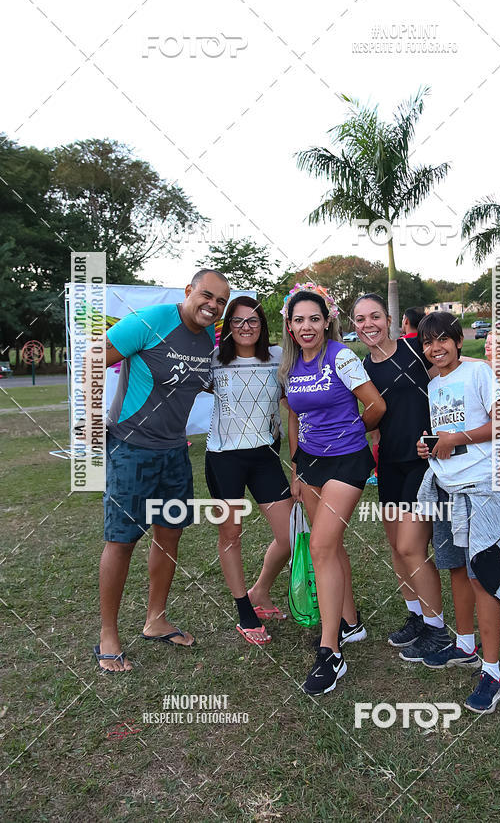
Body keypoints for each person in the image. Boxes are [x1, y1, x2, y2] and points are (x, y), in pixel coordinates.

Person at [95, 269, 230, 672]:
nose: (213, 305)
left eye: (221, 301)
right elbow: (92, 361)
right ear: (189, 291)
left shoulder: (209, 340)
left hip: (174, 454)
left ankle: (155, 620)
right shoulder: (148, 321)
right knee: (121, 542)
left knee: (168, 538)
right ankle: (108, 635)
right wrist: (90, 424)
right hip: (130, 450)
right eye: (207, 295)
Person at [280, 283, 386, 695]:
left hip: (347, 461)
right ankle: (350, 623)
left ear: (327, 323)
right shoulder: (290, 368)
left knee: (322, 546)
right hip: (310, 464)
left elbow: (376, 405)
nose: (307, 327)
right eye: (299, 320)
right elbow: (292, 417)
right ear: (289, 327)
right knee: (333, 546)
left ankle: (331, 653)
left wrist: (351, 432)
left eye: (314, 319)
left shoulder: (341, 357)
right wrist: (296, 467)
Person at [416, 311, 500, 715]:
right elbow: (447, 434)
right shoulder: (434, 382)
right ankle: (465, 645)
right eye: (428, 342)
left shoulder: (479, 372)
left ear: (457, 340)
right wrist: (431, 444)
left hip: (480, 490)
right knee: (455, 567)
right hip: (447, 488)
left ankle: (492, 672)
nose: (435, 348)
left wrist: (459, 437)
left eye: (442, 340)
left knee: (482, 575)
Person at [353, 294, 447, 655]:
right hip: (388, 462)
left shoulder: (415, 351)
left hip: (424, 463)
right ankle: (416, 617)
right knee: (396, 546)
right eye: (360, 319)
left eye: (374, 316)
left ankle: (437, 629)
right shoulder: (362, 368)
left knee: (411, 547)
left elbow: (450, 372)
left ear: (389, 319)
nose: (368, 324)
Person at [205, 296, 294, 645]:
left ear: (262, 326)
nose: (246, 327)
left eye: (253, 321)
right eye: (238, 321)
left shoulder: (278, 359)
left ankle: (260, 591)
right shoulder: (213, 362)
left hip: (265, 457)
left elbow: (293, 401)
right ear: (228, 327)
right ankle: (244, 609)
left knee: (290, 536)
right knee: (231, 534)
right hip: (224, 457)